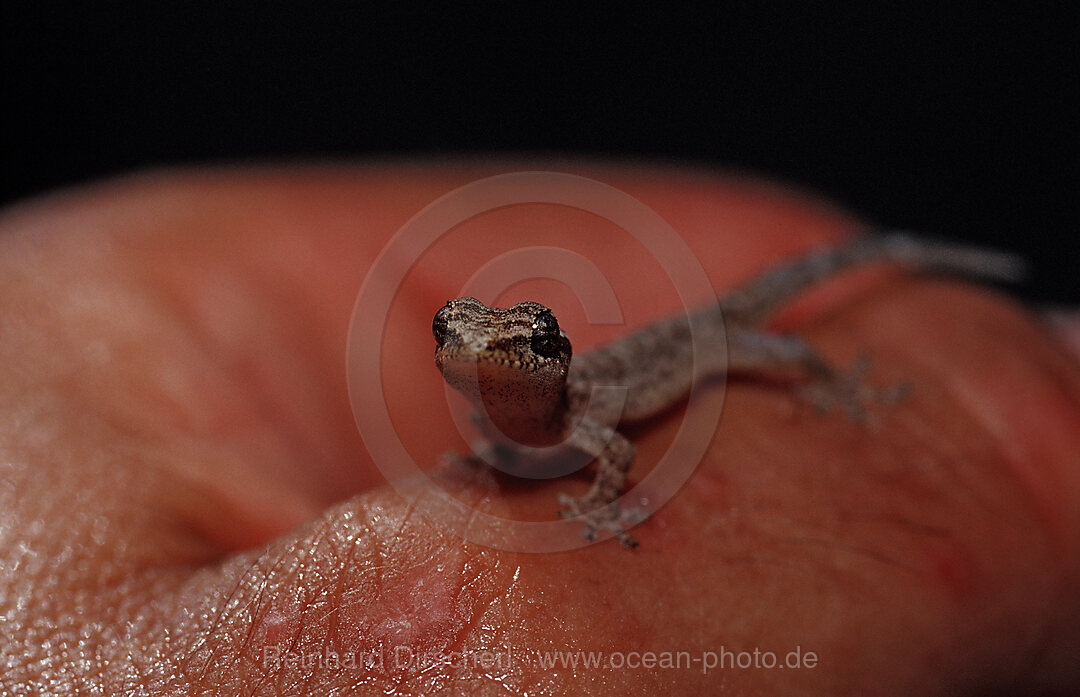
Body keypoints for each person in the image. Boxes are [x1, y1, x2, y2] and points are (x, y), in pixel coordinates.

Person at [1, 163, 1077, 695]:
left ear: (552, 358)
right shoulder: (500, 415)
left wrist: (606, 509)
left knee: (768, 345)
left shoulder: (600, 405)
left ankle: (860, 354)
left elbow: (606, 453)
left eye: (518, 344)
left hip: (690, 342)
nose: (485, 361)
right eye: (464, 347)